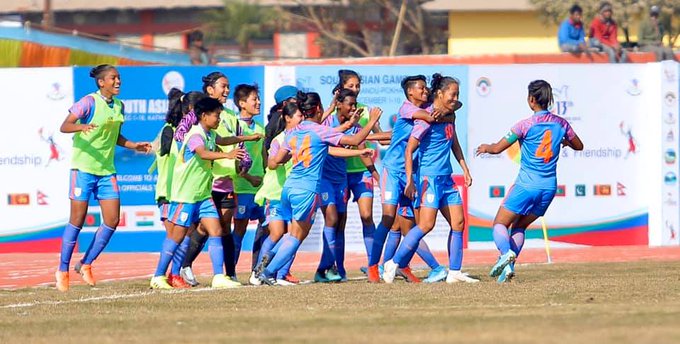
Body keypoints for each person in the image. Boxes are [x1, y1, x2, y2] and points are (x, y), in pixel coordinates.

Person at [256, 92, 380, 285]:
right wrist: (371, 121)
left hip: (288, 189)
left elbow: (278, 159)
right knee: (297, 236)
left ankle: (269, 257)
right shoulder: (320, 130)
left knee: (292, 234)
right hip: (307, 189)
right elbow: (354, 140)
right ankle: (268, 272)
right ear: (318, 109)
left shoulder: (293, 132)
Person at [55, 64, 152, 292]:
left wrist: (133, 145)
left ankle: (86, 264)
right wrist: (81, 127)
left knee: (112, 220)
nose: (118, 82)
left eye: (119, 78)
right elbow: (64, 126)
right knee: (77, 220)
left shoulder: (119, 105)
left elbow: (116, 136)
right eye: (113, 78)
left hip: (106, 172)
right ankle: (62, 269)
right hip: (83, 170)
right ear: (101, 82)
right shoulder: (88, 102)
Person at [476, 80, 583, 283]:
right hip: (549, 188)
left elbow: (498, 148)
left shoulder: (525, 125)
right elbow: (579, 145)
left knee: (499, 223)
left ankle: (505, 254)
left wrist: (485, 147)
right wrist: (564, 141)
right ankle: (508, 269)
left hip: (526, 185)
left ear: (531, 100)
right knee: (519, 227)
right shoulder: (561, 123)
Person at [383, 73, 477, 284]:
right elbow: (409, 150)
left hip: (447, 178)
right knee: (426, 225)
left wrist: (465, 169)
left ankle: (454, 272)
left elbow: (454, 143)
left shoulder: (449, 115)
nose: (456, 98)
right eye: (452, 94)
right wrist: (410, 180)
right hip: (429, 178)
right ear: (440, 93)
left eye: (457, 94)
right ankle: (393, 263)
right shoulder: (426, 120)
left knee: (459, 223)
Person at [150, 98, 247, 289]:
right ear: (204, 116)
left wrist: (246, 138)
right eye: (216, 115)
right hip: (185, 195)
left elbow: (224, 140)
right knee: (177, 237)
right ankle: (158, 276)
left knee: (216, 230)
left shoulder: (210, 134)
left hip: (202, 195)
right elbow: (202, 153)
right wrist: (227, 155)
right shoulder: (195, 135)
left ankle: (219, 276)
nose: (219, 118)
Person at [180, 72, 262, 287]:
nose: (226, 90)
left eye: (228, 87)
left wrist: (243, 162)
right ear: (210, 90)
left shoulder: (231, 116)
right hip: (208, 181)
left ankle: (229, 274)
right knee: (202, 228)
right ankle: (183, 265)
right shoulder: (199, 117)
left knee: (224, 228)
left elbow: (231, 143)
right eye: (222, 86)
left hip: (227, 180)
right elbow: (193, 142)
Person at [367, 75, 451, 284]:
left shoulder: (422, 112)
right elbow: (431, 118)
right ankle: (373, 266)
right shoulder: (407, 109)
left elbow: (392, 136)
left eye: (426, 89)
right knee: (388, 218)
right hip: (393, 172)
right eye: (421, 89)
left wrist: (449, 105)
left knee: (408, 226)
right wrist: (443, 109)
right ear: (410, 92)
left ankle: (406, 265)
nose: (424, 92)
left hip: (411, 175)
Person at [253, 101, 304, 286]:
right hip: (275, 192)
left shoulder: (304, 137)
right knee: (277, 233)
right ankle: (257, 271)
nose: (302, 119)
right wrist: (288, 155)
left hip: (293, 193)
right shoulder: (279, 140)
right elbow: (272, 164)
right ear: (288, 119)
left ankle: (280, 274)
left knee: (294, 234)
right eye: (299, 116)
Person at [229, 84, 266, 284]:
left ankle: (257, 272)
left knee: (267, 227)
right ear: (242, 103)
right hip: (242, 187)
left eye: (258, 99)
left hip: (261, 188)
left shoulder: (260, 128)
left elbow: (264, 156)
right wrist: (248, 177)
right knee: (240, 230)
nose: (258, 102)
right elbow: (234, 160)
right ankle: (230, 273)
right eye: (254, 99)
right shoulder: (235, 126)